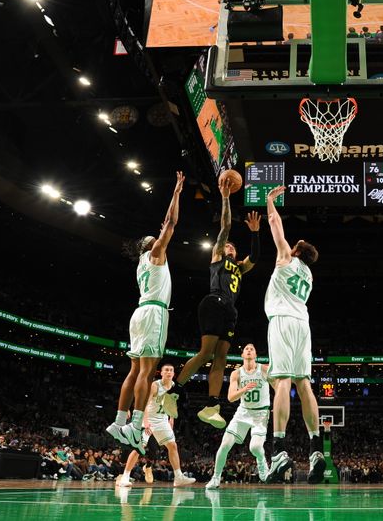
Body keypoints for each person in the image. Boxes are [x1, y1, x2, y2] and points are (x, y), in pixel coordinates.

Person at [170, 177, 261, 429]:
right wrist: (225, 197)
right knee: (206, 353)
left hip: (230, 310)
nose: (230, 246)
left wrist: (254, 233)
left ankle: (212, 405)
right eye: (228, 245)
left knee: (221, 359)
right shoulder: (218, 256)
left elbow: (254, 257)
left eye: (232, 246)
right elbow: (225, 226)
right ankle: (175, 390)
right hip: (213, 302)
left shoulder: (240, 267)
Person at [106, 171, 184, 454]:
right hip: (153, 314)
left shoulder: (142, 262)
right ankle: (136, 424)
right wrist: (176, 193)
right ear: (150, 245)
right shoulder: (155, 254)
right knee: (148, 372)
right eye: (156, 237)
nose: (159, 236)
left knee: (135, 369)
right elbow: (172, 223)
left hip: (139, 313)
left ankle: (118, 422)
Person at [261, 185, 325, 484]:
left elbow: (274, 224)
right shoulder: (309, 275)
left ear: (296, 251)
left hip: (283, 321)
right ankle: (315, 448)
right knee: (304, 384)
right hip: (303, 324)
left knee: (283, 382)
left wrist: (270, 201)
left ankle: (279, 450)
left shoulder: (286, 258)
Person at [116, 364, 195, 488]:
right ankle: (125, 477)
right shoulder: (155, 385)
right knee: (139, 447)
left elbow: (172, 403)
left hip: (162, 420)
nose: (169, 372)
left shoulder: (174, 386)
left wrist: (171, 418)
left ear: (174, 374)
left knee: (172, 446)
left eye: (171, 370)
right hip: (148, 419)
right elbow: (145, 404)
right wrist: (145, 421)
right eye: (166, 370)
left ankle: (178, 477)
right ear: (162, 373)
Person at [206, 343, 272, 489]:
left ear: (255, 355)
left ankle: (261, 461)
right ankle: (216, 478)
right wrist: (244, 389)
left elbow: (278, 386)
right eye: (246, 349)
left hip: (260, 413)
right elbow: (230, 397)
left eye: (252, 349)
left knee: (255, 447)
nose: (248, 350)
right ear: (242, 355)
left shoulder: (264, 370)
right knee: (224, 445)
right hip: (243, 412)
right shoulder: (236, 373)